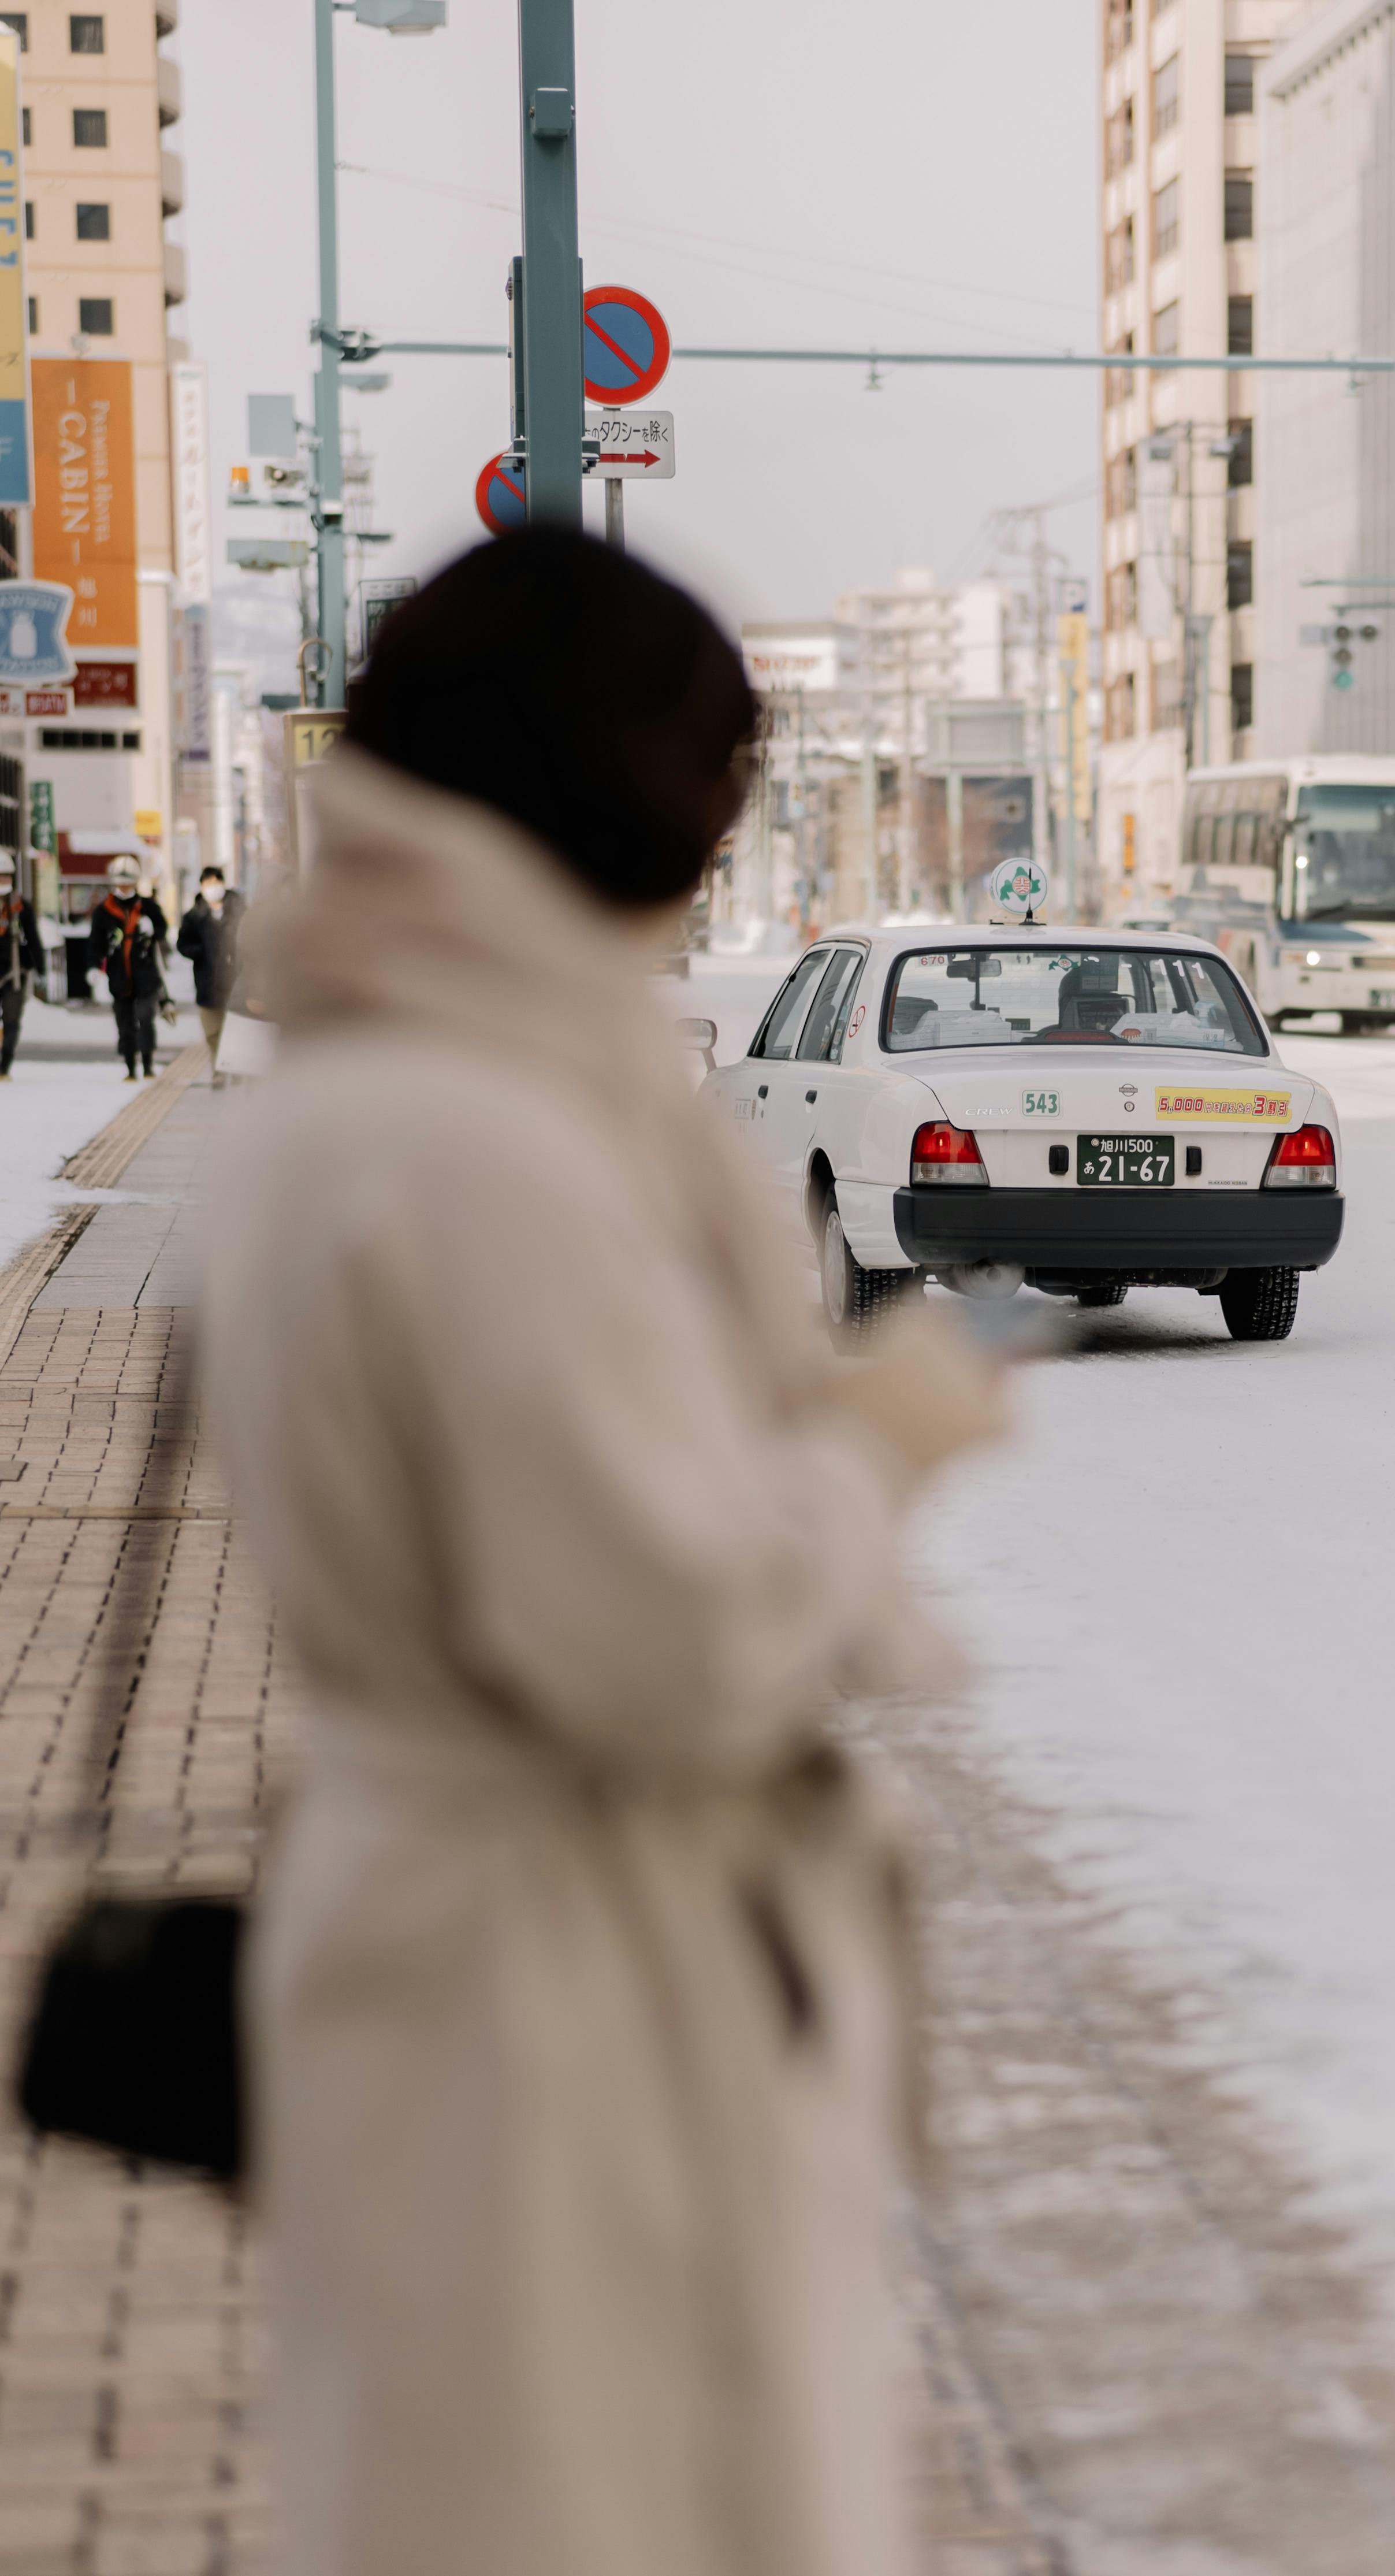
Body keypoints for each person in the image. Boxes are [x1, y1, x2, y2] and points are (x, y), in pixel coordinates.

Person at [205, 528, 1003, 2576]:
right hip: (564, 2002)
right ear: (609, 781)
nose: (723, 835)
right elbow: (670, 1635)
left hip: (468, 1949)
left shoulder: (368, 1089)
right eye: (715, 775)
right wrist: (864, 1444)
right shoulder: (484, 1139)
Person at [90, 855, 168, 1080]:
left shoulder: (148, 907)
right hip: (119, 975)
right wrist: (93, 967)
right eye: (120, 881)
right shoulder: (104, 911)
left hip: (145, 974)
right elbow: (95, 943)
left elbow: (163, 930)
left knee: (145, 1018)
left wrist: (153, 928)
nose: (124, 885)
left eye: (129, 881)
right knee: (124, 1023)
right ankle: (130, 1067)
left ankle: (148, 1063)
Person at [176, 864, 245, 1082]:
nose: (213, 888)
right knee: (213, 1032)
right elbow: (183, 944)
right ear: (202, 887)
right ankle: (220, 1069)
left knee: (235, 1029)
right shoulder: (194, 916)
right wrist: (199, 952)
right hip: (207, 981)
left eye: (217, 883)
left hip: (236, 981)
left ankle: (235, 1066)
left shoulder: (240, 911)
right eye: (208, 884)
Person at [0, 856, 45, 1079]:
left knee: (11, 1019)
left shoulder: (21, 906)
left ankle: (4, 1064)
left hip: (15, 973)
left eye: (6, 876)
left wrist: (41, 970)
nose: (3, 881)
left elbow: (34, 940)